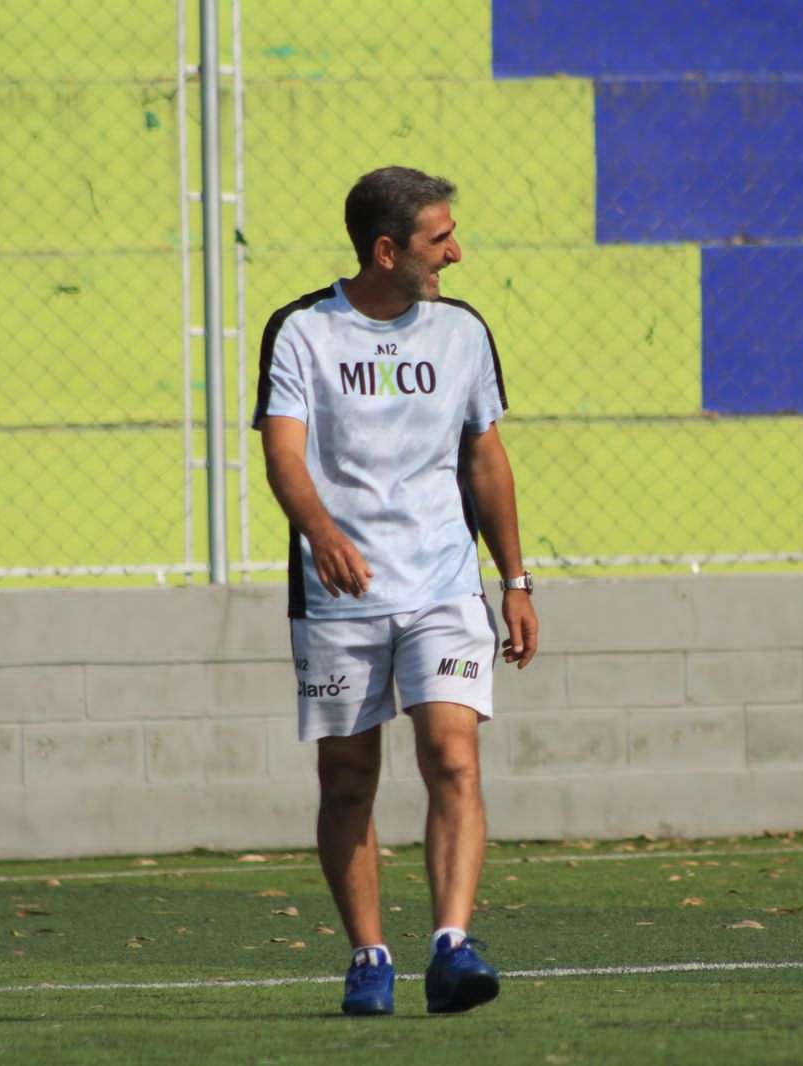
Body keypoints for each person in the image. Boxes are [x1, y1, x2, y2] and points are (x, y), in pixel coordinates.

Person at [253, 166, 539, 1017]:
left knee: (453, 754)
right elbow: (282, 455)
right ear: (387, 251)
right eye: (438, 239)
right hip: (339, 591)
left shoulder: (462, 333)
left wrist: (515, 579)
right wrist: (323, 532)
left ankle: (452, 946)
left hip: (444, 583)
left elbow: (485, 458)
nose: (457, 251)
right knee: (347, 778)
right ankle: (368, 956)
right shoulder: (302, 330)